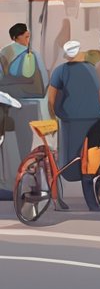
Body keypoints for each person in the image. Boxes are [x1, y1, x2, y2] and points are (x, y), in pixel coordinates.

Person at [47, 41, 100, 211]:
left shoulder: (61, 71)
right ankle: (93, 203)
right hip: (96, 118)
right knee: (92, 159)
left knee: (68, 163)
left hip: (72, 121)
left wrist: (54, 117)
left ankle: (59, 201)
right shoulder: (94, 69)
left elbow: (51, 99)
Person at [2, 23, 48, 185]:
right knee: (26, 144)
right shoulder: (32, 55)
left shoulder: (3, 54)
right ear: (17, 36)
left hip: (8, 106)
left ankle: (12, 181)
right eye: (26, 36)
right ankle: (28, 180)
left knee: (9, 145)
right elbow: (44, 82)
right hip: (29, 104)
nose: (28, 39)